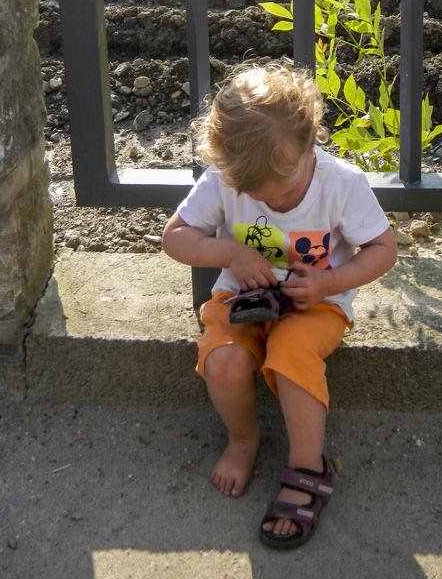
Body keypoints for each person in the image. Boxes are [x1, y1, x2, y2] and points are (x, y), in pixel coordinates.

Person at [162, 61, 397, 549]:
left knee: (291, 358)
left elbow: (383, 250)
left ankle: (308, 466)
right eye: (256, 195)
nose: (276, 202)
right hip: (243, 298)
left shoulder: (341, 184)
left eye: (287, 192)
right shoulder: (226, 177)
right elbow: (175, 237)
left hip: (315, 303)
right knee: (224, 362)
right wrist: (229, 251)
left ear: (312, 139)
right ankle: (244, 439)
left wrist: (331, 283)